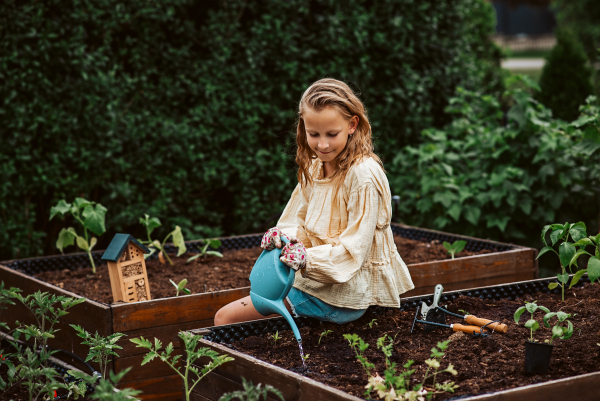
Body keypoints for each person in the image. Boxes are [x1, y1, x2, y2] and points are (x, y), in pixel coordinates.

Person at [214, 78, 414, 326]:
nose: (322, 144)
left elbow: (354, 252)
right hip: (316, 281)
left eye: (332, 134)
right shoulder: (316, 165)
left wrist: (306, 259)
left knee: (224, 318)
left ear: (352, 124)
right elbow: (301, 224)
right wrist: (282, 236)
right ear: (303, 127)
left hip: (341, 297)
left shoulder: (363, 175)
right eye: (313, 134)